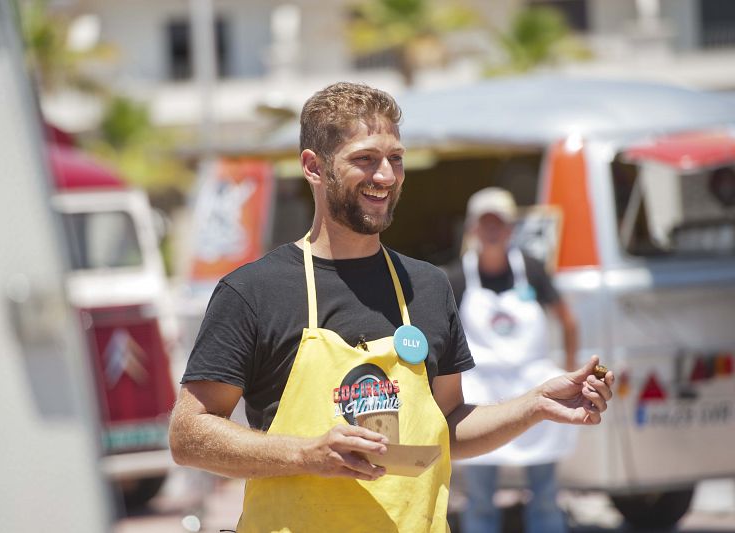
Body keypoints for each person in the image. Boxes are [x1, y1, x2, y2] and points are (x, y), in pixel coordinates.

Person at [169, 82, 613, 532]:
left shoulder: (428, 286)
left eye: (395, 159)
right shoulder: (254, 291)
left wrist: (536, 403)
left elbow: (447, 427)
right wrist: (306, 453)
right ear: (314, 167)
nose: (386, 176)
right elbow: (189, 434)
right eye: (365, 159)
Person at [449, 187, 579, 533]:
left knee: (546, 494)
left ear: (511, 229)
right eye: (485, 223)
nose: (492, 231)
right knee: (478, 498)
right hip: (481, 395)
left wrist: (567, 371)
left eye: (499, 223)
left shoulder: (534, 271)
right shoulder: (456, 278)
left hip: (533, 387)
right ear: (473, 228)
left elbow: (567, 320)